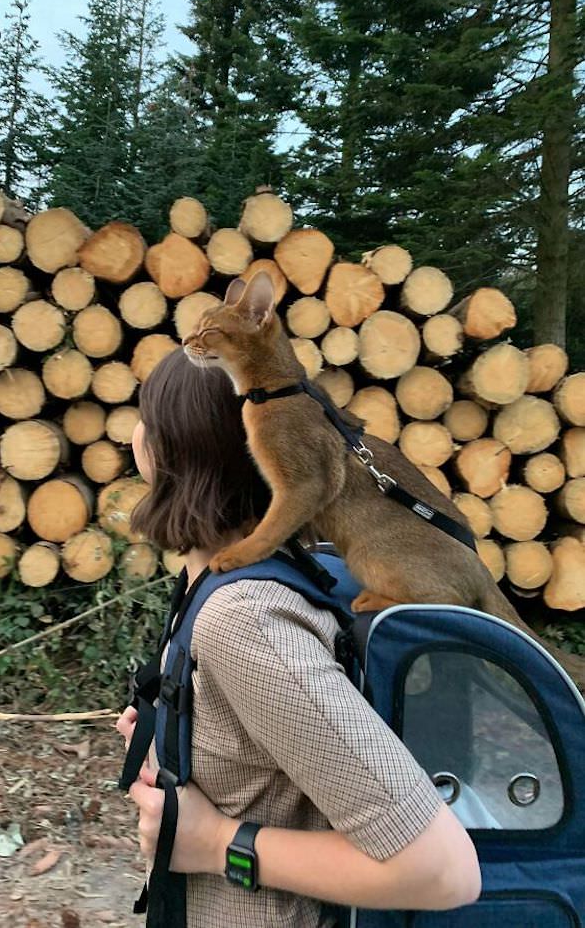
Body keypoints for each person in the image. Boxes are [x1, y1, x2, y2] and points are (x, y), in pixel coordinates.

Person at [118, 348, 481, 927]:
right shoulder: (232, 578)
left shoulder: (243, 620)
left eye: (146, 416)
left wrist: (217, 844)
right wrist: (178, 731)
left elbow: (442, 868)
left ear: (163, 448)